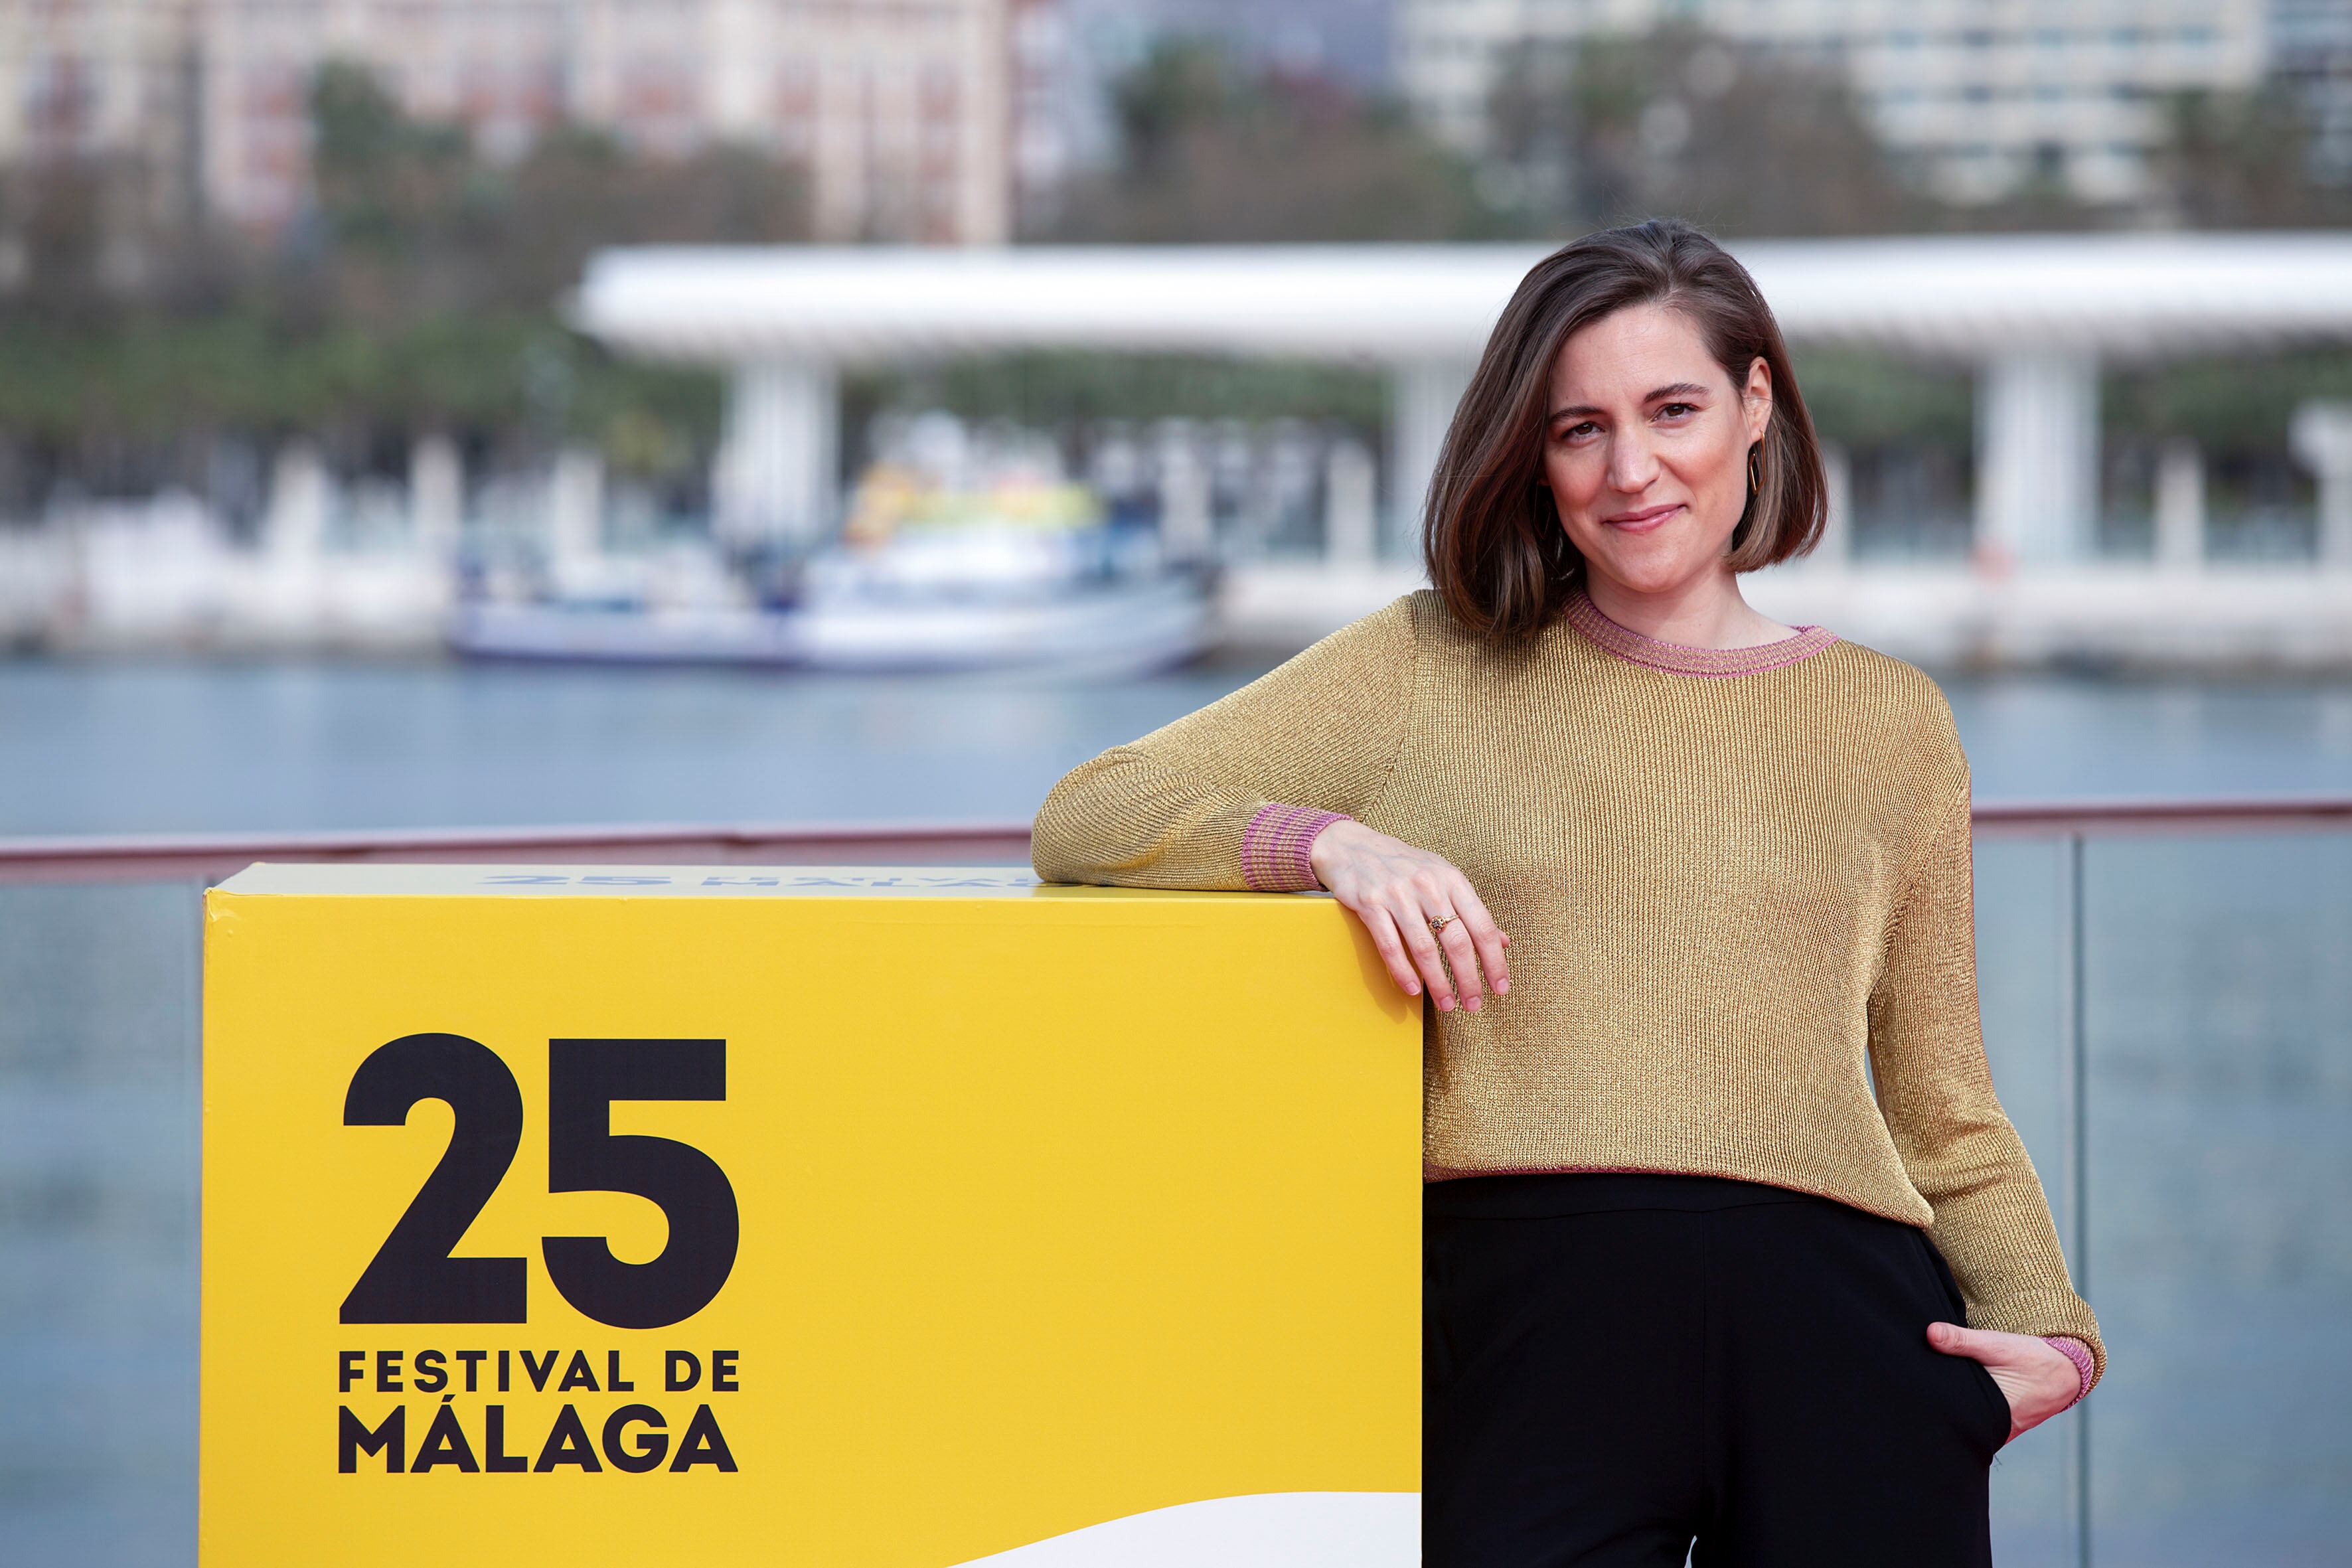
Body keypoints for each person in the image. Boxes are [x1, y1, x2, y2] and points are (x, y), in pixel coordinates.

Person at [1028, 218, 2101, 1567]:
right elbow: (1086, 809)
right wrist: (1331, 845)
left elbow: (1939, 1098)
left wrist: (2052, 1332)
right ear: (1529, 455)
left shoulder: (1890, 720)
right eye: (1576, 427)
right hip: (1525, 1338)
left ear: (1753, 405)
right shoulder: (1427, 660)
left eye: (1671, 410)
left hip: (1846, 1338)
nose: (1630, 468)